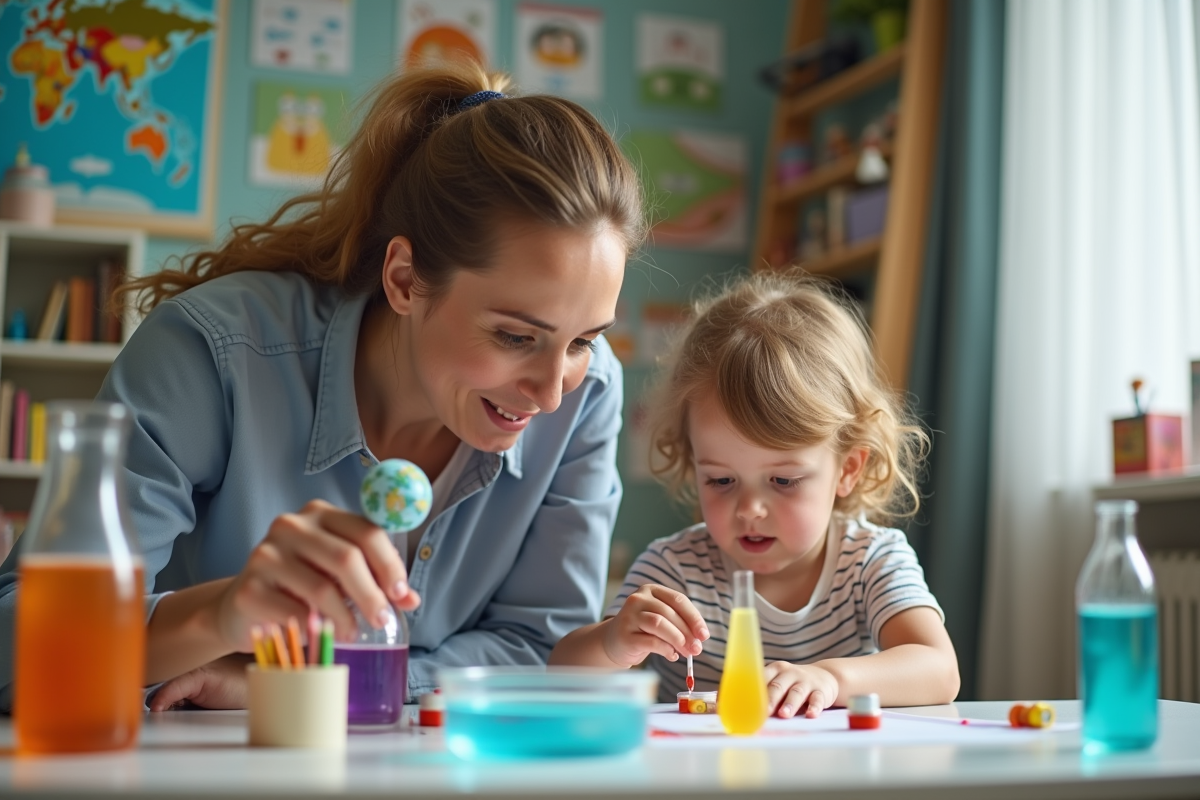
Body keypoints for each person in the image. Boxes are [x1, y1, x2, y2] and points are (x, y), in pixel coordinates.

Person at [0, 61, 646, 712]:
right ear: (403, 279)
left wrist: (287, 682)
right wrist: (221, 616)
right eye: (514, 337)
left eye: (584, 340)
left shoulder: (588, 395)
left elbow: (541, 652)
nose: (552, 393)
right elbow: (13, 644)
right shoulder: (215, 353)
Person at [551, 271, 960, 717]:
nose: (749, 509)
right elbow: (564, 674)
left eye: (783, 481)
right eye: (721, 480)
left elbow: (939, 669)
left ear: (847, 469)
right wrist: (612, 645)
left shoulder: (869, 561)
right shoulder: (675, 569)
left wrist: (829, 678)